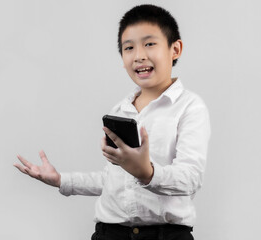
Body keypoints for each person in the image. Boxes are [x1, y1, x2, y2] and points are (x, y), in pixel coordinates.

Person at [14, 4, 211, 240]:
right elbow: (113, 181)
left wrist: (146, 173)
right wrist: (60, 180)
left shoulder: (190, 107)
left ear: (175, 48)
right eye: (129, 48)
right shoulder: (120, 110)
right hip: (109, 234)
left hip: (164, 235)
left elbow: (190, 179)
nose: (139, 55)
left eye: (149, 43)